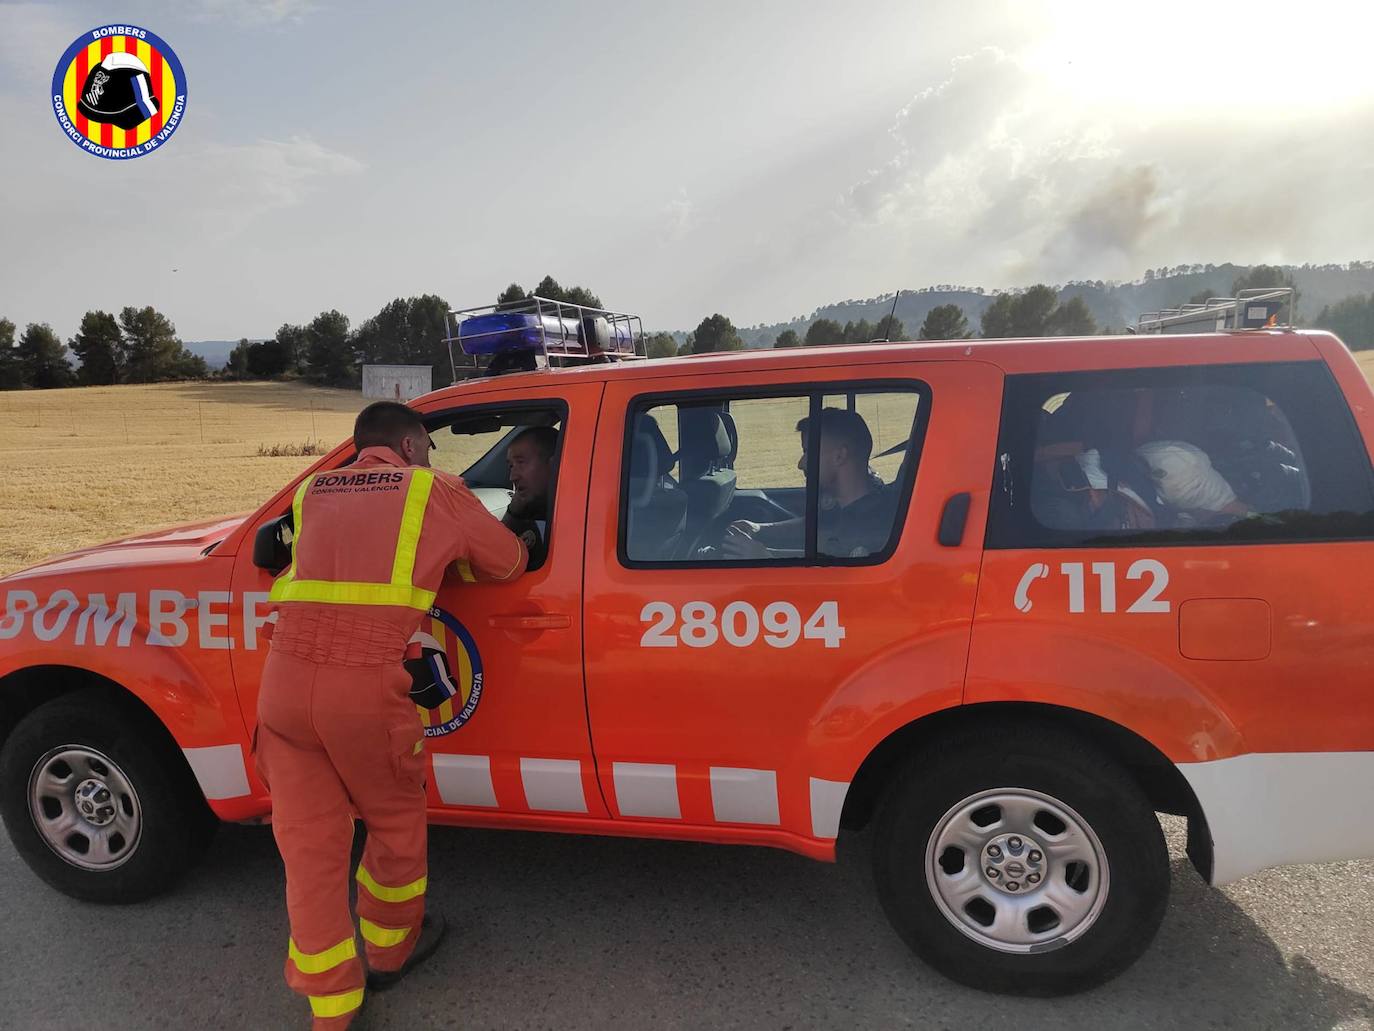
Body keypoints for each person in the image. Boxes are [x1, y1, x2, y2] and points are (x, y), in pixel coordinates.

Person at [255, 401, 527, 1029]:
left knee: (310, 849)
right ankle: (390, 951)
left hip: (285, 687)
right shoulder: (433, 491)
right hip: (363, 686)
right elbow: (508, 560)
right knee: (394, 824)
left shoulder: (313, 491)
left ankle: (331, 1007)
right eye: (427, 448)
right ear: (408, 446)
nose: (430, 459)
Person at [722, 407, 897, 560]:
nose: (801, 464)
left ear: (840, 456)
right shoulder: (849, 502)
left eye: (808, 452)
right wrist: (759, 529)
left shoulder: (869, 530)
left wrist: (766, 558)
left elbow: (829, 587)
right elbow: (817, 526)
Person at [502, 425, 558, 567]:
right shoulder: (527, 510)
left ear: (554, 465)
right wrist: (513, 513)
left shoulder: (579, 519)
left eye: (521, 462)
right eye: (511, 466)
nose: (513, 477)